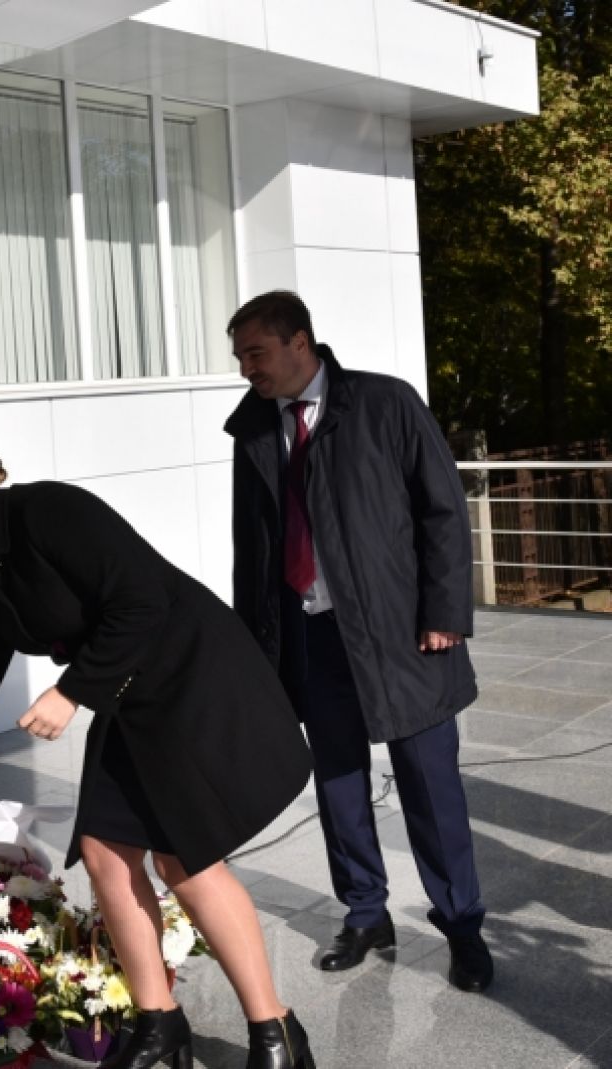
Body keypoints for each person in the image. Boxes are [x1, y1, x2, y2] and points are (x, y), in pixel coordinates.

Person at [0, 446, 318, 1069]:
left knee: (184, 860)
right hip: (127, 694)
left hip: (189, 677)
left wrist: (70, 692)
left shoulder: (50, 510)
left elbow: (143, 600)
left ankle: (275, 1030)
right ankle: (159, 1021)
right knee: (106, 851)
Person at [223, 290, 493, 993]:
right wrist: (255, 649)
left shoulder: (385, 403)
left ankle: (463, 925)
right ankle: (366, 913)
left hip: (404, 635)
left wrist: (444, 611)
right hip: (310, 637)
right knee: (339, 783)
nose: (246, 368)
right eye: (240, 357)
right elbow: (253, 550)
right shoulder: (254, 428)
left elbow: (442, 510)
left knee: (429, 787)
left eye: (255, 353)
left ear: (299, 342)